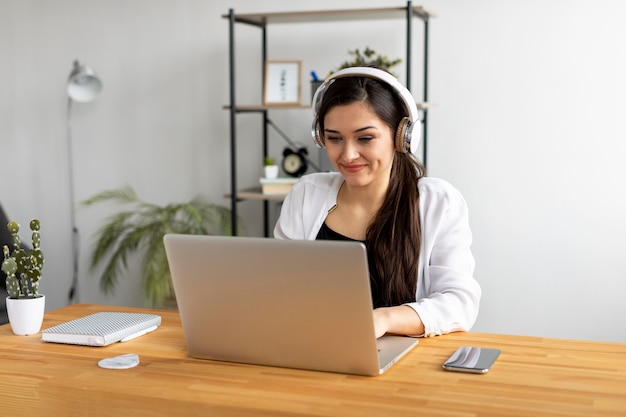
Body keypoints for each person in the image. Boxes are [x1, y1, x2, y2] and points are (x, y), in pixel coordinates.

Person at [274, 67, 481, 338]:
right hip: (317, 348)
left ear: (402, 137)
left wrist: (383, 319)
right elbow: (279, 288)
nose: (347, 155)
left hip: (406, 362)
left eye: (365, 138)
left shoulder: (438, 203)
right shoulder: (306, 195)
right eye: (334, 138)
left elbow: (460, 304)